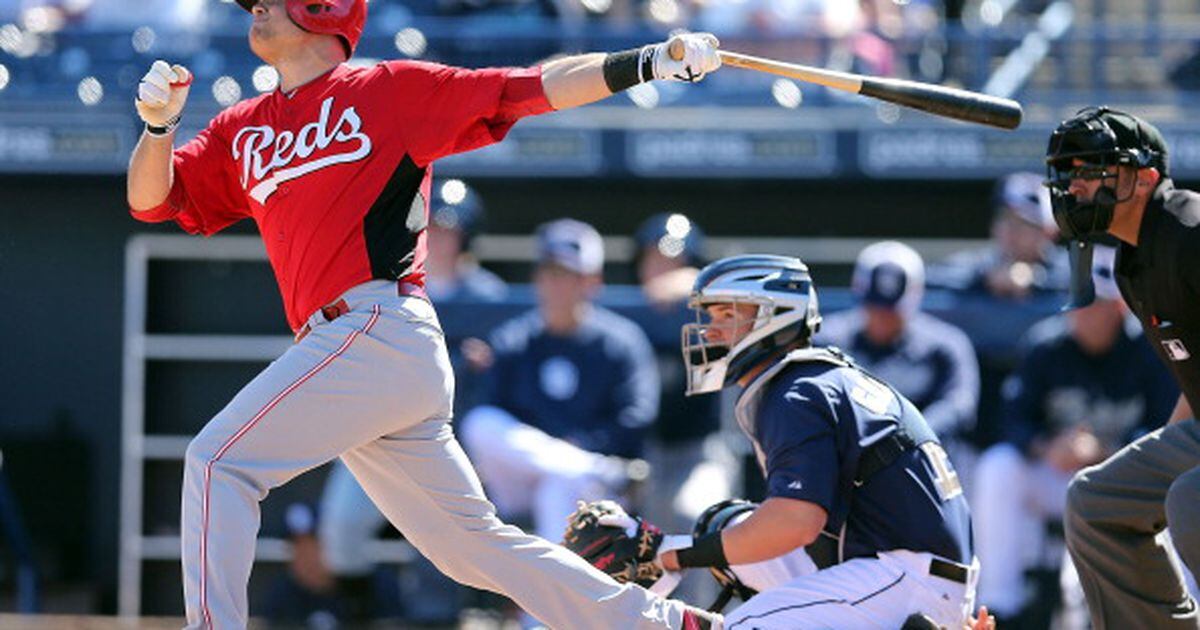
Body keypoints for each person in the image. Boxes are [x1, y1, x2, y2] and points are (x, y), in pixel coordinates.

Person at [124, 0, 723, 625]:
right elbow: (152, 202)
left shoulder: (388, 89)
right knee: (472, 548)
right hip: (357, 353)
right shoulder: (240, 126)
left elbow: (529, 88)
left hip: (375, 327)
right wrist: (158, 129)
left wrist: (648, 61)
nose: (258, 9)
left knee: (217, 462)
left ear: (322, 9)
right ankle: (661, 621)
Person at [657, 254, 980, 627]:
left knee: (739, 625)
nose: (711, 330)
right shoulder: (811, 379)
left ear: (772, 315)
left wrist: (670, 555)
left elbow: (797, 521)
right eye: (711, 317)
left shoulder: (797, 391)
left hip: (907, 578)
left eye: (727, 315)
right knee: (722, 527)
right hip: (907, 570)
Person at [1044, 106, 1200, 629]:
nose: (1077, 186)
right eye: (1073, 173)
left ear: (1145, 178)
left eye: (1095, 171)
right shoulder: (1132, 261)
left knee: (1192, 500)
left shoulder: (1189, 231)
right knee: (1097, 501)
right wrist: (1156, 459)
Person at [972, 245, 1179, 625]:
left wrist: (1110, 451)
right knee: (998, 466)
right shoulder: (1045, 345)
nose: (1080, 314)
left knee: (1180, 488)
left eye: (1092, 304)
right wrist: (1045, 446)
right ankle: (1001, 603)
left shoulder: (1147, 351)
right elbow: (1011, 419)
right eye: (1076, 302)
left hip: (1122, 480)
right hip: (1055, 475)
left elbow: (1170, 426)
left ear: (1119, 307)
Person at [459, 218, 658, 543]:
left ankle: (549, 593)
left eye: (569, 276)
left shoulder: (621, 341)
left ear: (593, 281)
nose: (557, 285)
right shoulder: (516, 339)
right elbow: (491, 413)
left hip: (594, 486)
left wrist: (581, 446)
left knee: (559, 485)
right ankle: (580, 466)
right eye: (551, 273)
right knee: (480, 423)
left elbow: (635, 417)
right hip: (530, 477)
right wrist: (568, 457)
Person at [817, 240, 981, 492]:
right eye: (874, 307)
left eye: (892, 311)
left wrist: (904, 439)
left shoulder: (945, 346)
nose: (882, 317)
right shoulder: (827, 342)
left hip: (921, 465)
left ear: (914, 296)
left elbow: (959, 406)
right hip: (845, 465)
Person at [633, 212, 737, 604]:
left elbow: (737, 304)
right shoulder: (623, 316)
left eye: (674, 262)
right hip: (639, 456)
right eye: (655, 260)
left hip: (698, 453)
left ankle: (697, 621)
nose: (662, 271)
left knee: (696, 513)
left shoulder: (711, 316)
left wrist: (693, 285)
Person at [927, 171, 1069, 300]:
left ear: (1050, 231)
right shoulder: (976, 265)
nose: (1010, 231)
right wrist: (985, 278)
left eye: (1024, 223)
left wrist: (1035, 279)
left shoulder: (1070, 269)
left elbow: (1085, 285)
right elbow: (928, 278)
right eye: (1004, 219)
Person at [424, 178, 508, 304]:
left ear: (465, 238)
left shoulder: (487, 292)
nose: (437, 238)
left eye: (447, 230)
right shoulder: (400, 289)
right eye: (431, 226)